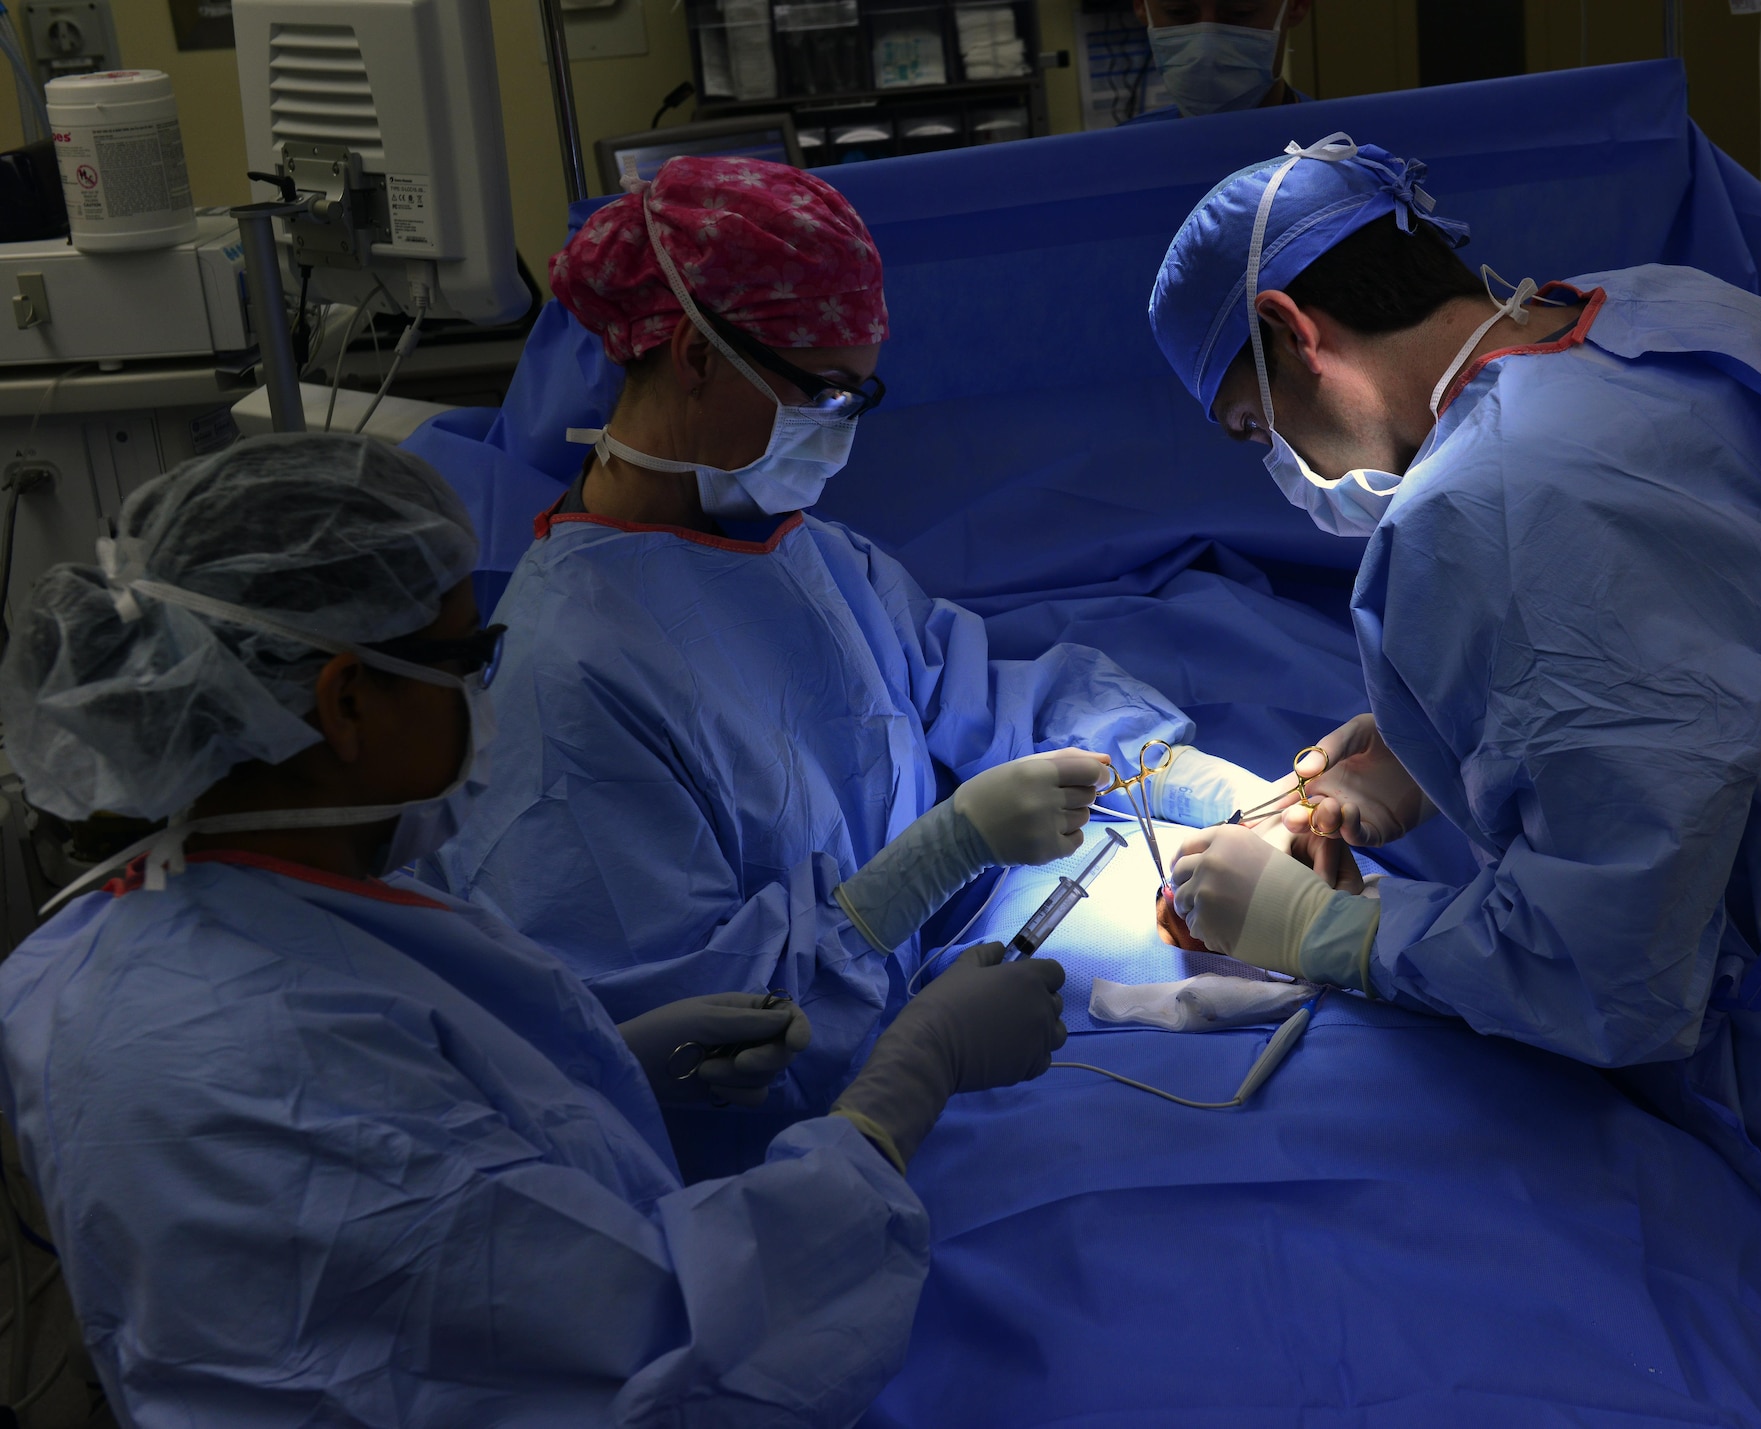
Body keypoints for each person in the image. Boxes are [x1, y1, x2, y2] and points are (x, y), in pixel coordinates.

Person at [1148, 134, 1761, 1426]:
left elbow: (1610, 973)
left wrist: (1324, 929)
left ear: (1290, 323)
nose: (1285, 461)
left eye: (1258, 423)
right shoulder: (1687, 318)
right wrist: (1441, 735)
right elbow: (1743, 629)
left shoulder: (1490, 504)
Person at [0, 434, 1069, 1424]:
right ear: (345, 704)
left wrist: (601, 1071)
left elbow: (437, 1132)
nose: (490, 695)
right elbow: (676, 1340)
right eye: (468, 660)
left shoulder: (130, 932)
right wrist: (903, 1089)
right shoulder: (256, 1056)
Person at [420, 156, 1275, 1119]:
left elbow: (980, 692)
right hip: (812, 1130)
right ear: (698, 356)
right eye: (826, 393)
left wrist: (1204, 781)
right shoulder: (565, 676)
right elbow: (688, 1055)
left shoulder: (805, 555)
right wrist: (933, 862)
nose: (840, 431)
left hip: (932, 987)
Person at [1127, 0, 1313, 121]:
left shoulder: (1336, 152)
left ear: (1295, 5)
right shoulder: (1118, 154)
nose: (1206, 49)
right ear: (1141, 6)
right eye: (1179, 12)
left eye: (1240, 12)